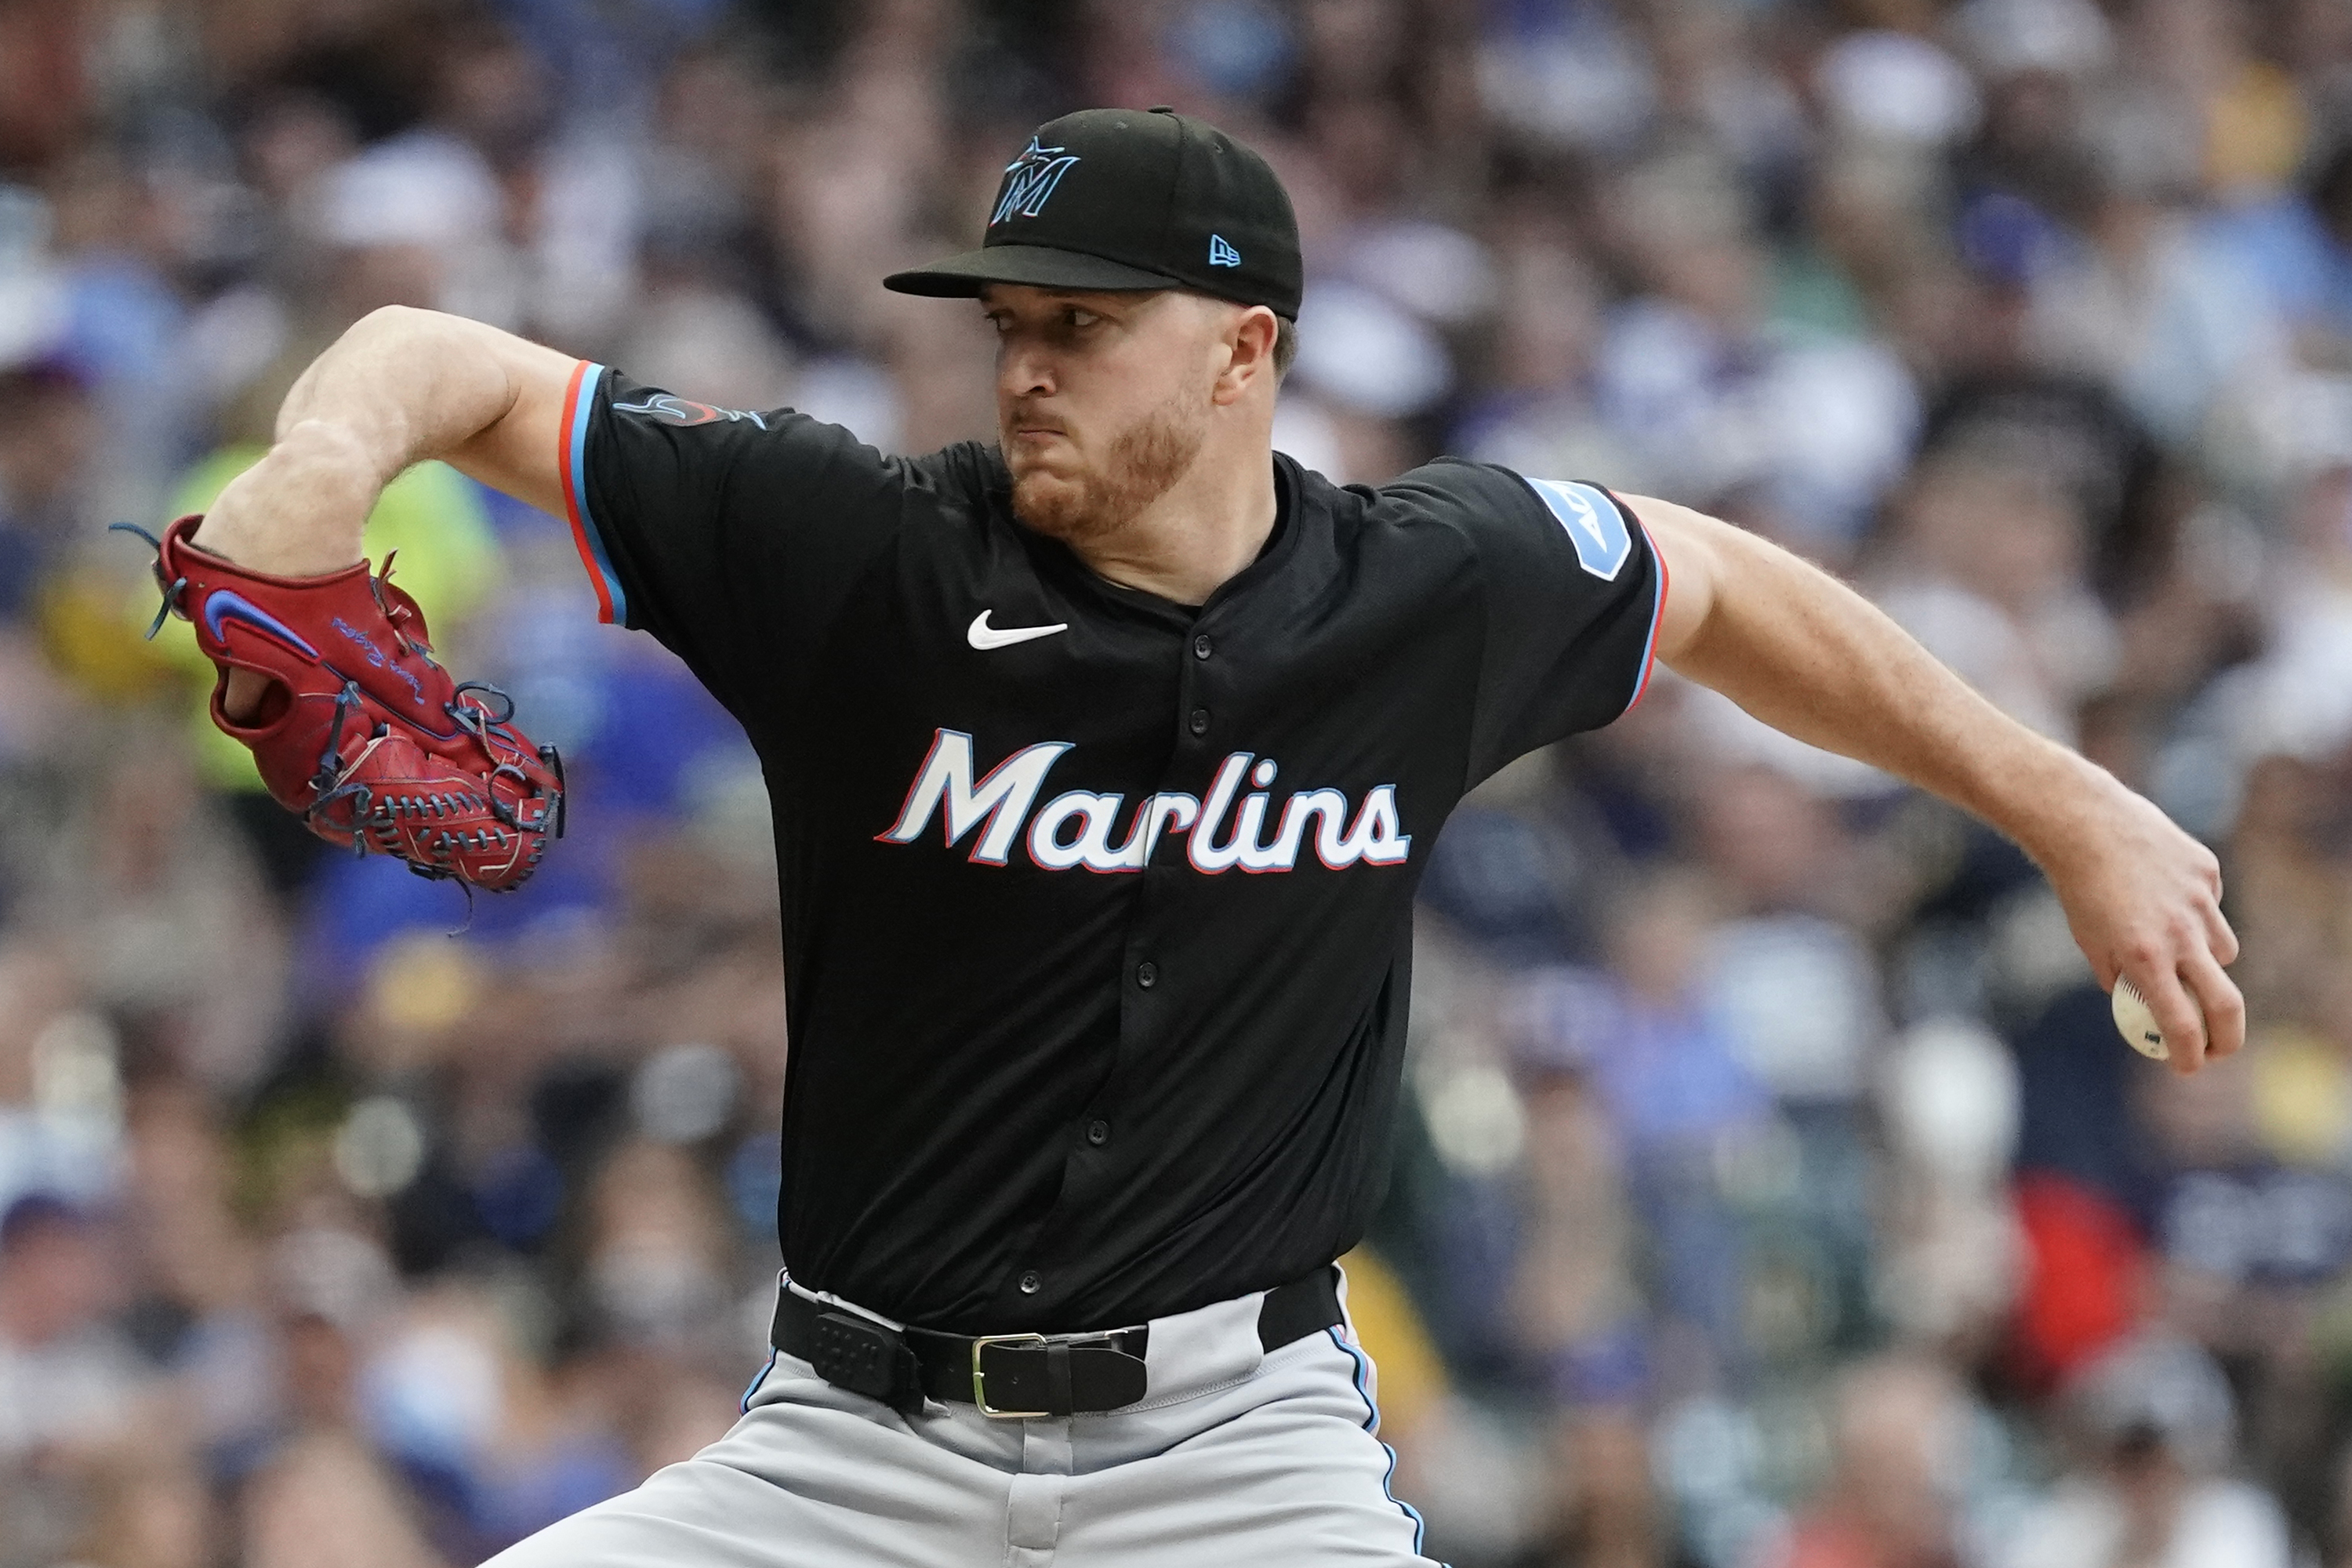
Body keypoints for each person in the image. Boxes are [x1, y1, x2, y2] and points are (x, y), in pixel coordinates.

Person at [179, 107, 2241, 1567]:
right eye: (1009, 321)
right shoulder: (858, 552)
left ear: (1247, 349)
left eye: (1084, 323)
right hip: (843, 1461)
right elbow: (437, 360)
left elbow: (1714, 588)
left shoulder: (1429, 591)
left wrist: (2066, 805)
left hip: (1235, 1461)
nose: (1026, 363)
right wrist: (312, 468)